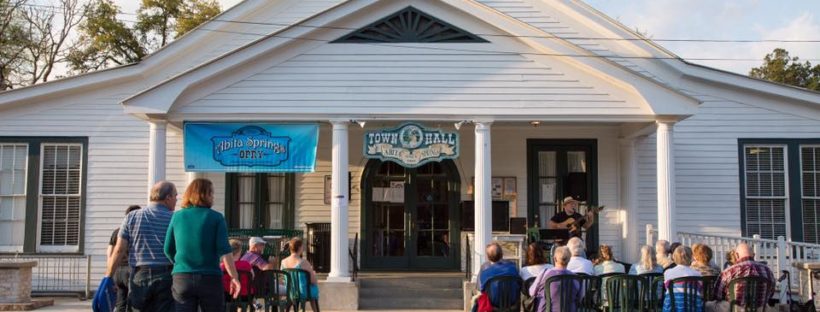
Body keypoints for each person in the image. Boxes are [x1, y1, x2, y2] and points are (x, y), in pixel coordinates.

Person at [164, 178, 240, 312]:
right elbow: (225, 250)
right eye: (211, 193)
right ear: (205, 195)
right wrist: (234, 277)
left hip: (182, 277)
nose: (213, 196)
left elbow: (167, 249)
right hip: (210, 276)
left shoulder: (177, 216)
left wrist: (180, 264)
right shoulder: (216, 218)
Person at [105, 181, 177, 312]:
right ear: (168, 198)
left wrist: (108, 276)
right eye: (175, 196)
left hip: (139, 274)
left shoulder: (132, 217)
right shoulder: (175, 218)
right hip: (166, 274)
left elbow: (119, 249)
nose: (176, 200)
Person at [714, 243, 775, 307]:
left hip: (735, 309)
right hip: (760, 309)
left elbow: (717, 295)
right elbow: (771, 293)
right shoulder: (768, 271)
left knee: (708, 305)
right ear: (753, 255)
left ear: (736, 255)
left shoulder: (728, 272)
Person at [107, 205, 141, 312]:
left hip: (117, 271)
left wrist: (109, 273)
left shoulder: (116, 231)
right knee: (133, 303)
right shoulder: (136, 232)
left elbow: (109, 253)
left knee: (120, 303)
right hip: (131, 270)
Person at [529, 246, 582, 312]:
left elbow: (532, 292)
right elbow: (579, 298)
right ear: (569, 259)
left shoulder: (545, 273)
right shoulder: (575, 278)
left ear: (555, 259)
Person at [471, 242, 520, 311]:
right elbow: (519, 285)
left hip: (493, 306)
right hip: (512, 304)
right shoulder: (513, 268)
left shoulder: (486, 272)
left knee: (475, 300)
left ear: (488, 257)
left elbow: (481, 289)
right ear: (502, 254)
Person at [280, 237, 320, 312]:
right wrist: (313, 274)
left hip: (290, 292)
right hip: (303, 292)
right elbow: (313, 281)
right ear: (299, 247)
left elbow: (282, 279)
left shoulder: (283, 262)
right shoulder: (304, 262)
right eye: (302, 246)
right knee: (314, 289)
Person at [663, 246, 703, 312]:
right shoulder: (697, 274)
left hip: (672, 307)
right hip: (692, 307)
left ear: (674, 257)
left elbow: (667, 288)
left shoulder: (668, 272)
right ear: (690, 257)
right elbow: (699, 289)